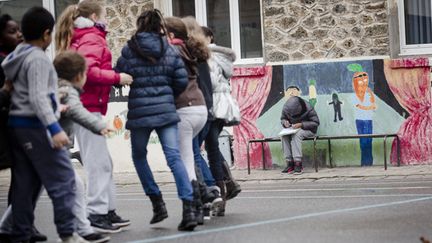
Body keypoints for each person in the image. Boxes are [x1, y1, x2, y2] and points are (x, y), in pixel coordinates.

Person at [2, 7, 85, 242]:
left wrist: (53, 100)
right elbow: (38, 97)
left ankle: (18, 232)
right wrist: (55, 128)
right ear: (46, 34)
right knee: (63, 178)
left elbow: (30, 92)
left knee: (26, 182)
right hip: (35, 125)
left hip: (17, 125)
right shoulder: (38, 59)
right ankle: (68, 233)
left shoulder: (18, 54)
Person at [115, 9, 197, 231]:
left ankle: (157, 202)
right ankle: (188, 207)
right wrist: (167, 95)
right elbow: (181, 80)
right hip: (166, 112)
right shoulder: (168, 49)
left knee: (139, 156)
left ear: (140, 25)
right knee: (173, 157)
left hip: (140, 113)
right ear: (159, 26)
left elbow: (118, 76)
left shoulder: (130, 49)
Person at [55, 0, 132, 233]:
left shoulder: (87, 35)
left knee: (103, 162)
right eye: (105, 15)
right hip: (87, 105)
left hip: (92, 104)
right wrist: (118, 78)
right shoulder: (91, 36)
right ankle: (96, 213)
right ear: (95, 16)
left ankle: (107, 210)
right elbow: (87, 71)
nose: (107, 19)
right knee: (97, 163)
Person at [55, 51, 112, 243]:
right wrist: (101, 126)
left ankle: (82, 229)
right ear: (79, 76)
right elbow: (79, 112)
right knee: (75, 187)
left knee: (31, 189)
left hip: (49, 148)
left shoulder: (57, 88)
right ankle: (79, 230)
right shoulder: (67, 92)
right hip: (51, 149)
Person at [165, 16, 209, 225]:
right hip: (200, 107)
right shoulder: (189, 48)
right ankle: (200, 203)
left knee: (186, 162)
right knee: (191, 157)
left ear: (171, 34)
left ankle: (194, 208)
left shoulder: (172, 51)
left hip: (185, 109)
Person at [200, 25, 242, 216]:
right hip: (222, 105)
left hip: (212, 105)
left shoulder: (208, 56)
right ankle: (228, 185)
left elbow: (211, 83)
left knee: (208, 149)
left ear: (209, 38)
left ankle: (220, 195)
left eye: (201, 37)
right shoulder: (222, 56)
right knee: (212, 147)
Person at [280, 96, 320, 174]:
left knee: (297, 134)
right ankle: (289, 163)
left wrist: (301, 124)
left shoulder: (308, 107)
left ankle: (298, 163)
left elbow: (316, 123)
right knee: (284, 136)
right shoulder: (286, 108)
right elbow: (283, 118)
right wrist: (285, 123)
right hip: (293, 129)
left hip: (309, 130)